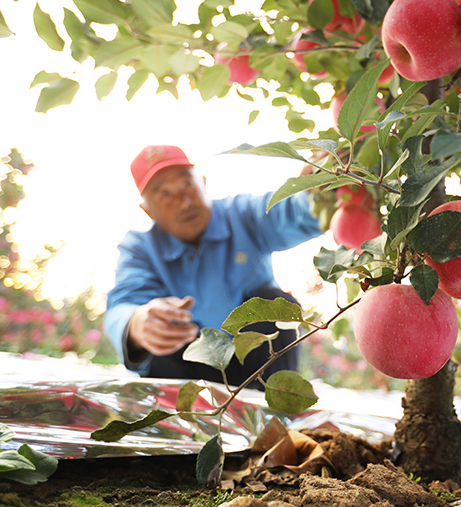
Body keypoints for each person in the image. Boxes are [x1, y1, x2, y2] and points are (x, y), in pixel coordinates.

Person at [104, 145, 324, 389]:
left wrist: (317, 190)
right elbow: (121, 306)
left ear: (203, 182)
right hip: (186, 369)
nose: (184, 202)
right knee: (159, 336)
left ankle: (275, 412)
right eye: (164, 194)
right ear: (148, 211)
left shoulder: (242, 216)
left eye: (187, 184)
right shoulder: (140, 248)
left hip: (254, 364)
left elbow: (292, 211)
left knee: (276, 304)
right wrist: (137, 323)